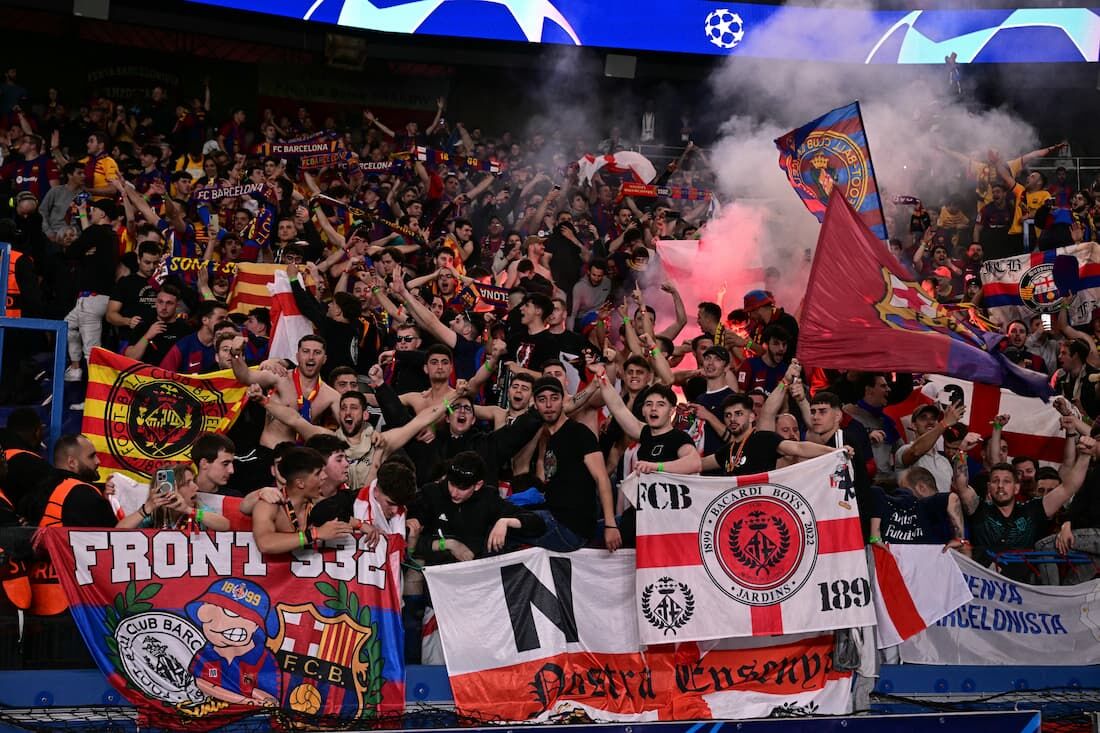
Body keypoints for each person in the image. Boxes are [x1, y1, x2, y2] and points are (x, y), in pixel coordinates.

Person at [527, 377, 620, 552]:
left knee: (506, 524)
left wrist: (610, 525)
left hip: (571, 528)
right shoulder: (548, 438)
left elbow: (602, 478)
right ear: (535, 404)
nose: (548, 405)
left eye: (554, 398)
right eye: (542, 399)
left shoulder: (579, 433)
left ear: (563, 401)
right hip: (555, 518)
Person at [409, 451, 546, 562]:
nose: (454, 492)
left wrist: (506, 521)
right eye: (452, 484)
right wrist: (448, 544)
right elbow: (408, 540)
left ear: (478, 485)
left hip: (476, 575)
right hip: (435, 574)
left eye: (462, 488)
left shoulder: (488, 498)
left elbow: (538, 524)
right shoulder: (431, 494)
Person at [700, 393, 835, 476]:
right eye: (728, 415)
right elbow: (699, 465)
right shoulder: (727, 452)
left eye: (738, 414)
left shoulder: (763, 438)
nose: (732, 419)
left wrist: (835, 452)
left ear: (752, 417)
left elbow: (799, 448)